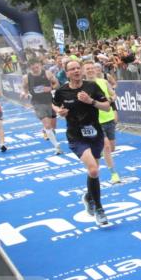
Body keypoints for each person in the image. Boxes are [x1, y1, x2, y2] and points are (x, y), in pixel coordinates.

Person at [52, 59, 112, 226]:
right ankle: (99, 209)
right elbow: (55, 104)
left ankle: (89, 197)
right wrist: (60, 112)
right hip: (76, 136)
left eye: (78, 68)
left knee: (93, 171)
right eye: (72, 69)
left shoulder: (92, 87)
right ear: (66, 73)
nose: (76, 71)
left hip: (95, 134)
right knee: (93, 170)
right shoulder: (62, 91)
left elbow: (107, 107)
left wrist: (91, 102)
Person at [85, 62, 122, 183]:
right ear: (83, 71)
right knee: (106, 145)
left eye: (92, 68)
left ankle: (97, 153)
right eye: (87, 69)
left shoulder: (103, 82)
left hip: (108, 117)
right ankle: (114, 174)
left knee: (111, 147)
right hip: (95, 121)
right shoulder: (83, 86)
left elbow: (113, 95)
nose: (90, 70)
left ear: (96, 70)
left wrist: (111, 99)